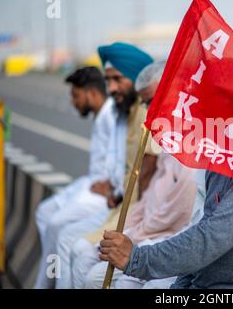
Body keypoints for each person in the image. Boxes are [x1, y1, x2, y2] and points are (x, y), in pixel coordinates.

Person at [99, 66, 233, 289]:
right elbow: (204, 231)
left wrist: (136, 259)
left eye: (205, 100)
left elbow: (214, 236)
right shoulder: (223, 156)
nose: (195, 109)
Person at [53, 43, 159, 288]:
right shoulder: (127, 112)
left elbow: (146, 177)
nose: (110, 88)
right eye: (108, 80)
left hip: (139, 214)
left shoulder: (146, 113)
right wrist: (118, 192)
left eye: (117, 80)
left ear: (136, 77)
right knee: (70, 240)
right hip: (122, 206)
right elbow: (127, 170)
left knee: (79, 249)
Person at [34, 66, 115, 288]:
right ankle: (51, 272)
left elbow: (126, 157)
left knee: (57, 225)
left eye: (75, 95)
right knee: (44, 213)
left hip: (104, 192)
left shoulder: (110, 115)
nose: (73, 102)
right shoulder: (103, 114)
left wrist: (114, 187)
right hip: (91, 183)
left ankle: (47, 284)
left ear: (92, 93)